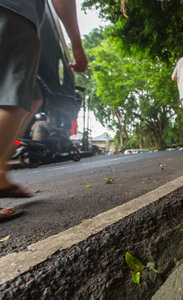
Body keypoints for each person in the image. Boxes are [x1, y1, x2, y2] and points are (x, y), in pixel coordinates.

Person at [0, 0, 87, 222]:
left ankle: (0, 172)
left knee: (34, 97)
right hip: (14, 13)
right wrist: (76, 45)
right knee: (14, 101)